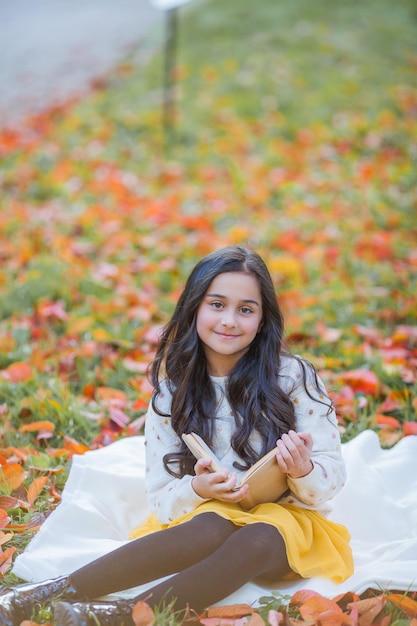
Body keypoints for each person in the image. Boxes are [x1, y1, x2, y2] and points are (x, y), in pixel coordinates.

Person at [0, 245, 353, 626]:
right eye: (216, 304)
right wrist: (199, 490)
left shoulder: (294, 377)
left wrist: (302, 471)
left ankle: (121, 616)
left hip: (288, 527)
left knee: (260, 534)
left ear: (263, 320)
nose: (230, 320)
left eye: (246, 309)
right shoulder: (171, 395)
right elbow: (162, 497)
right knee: (213, 525)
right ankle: (52, 591)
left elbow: (332, 473)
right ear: (194, 308)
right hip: (212, 515)